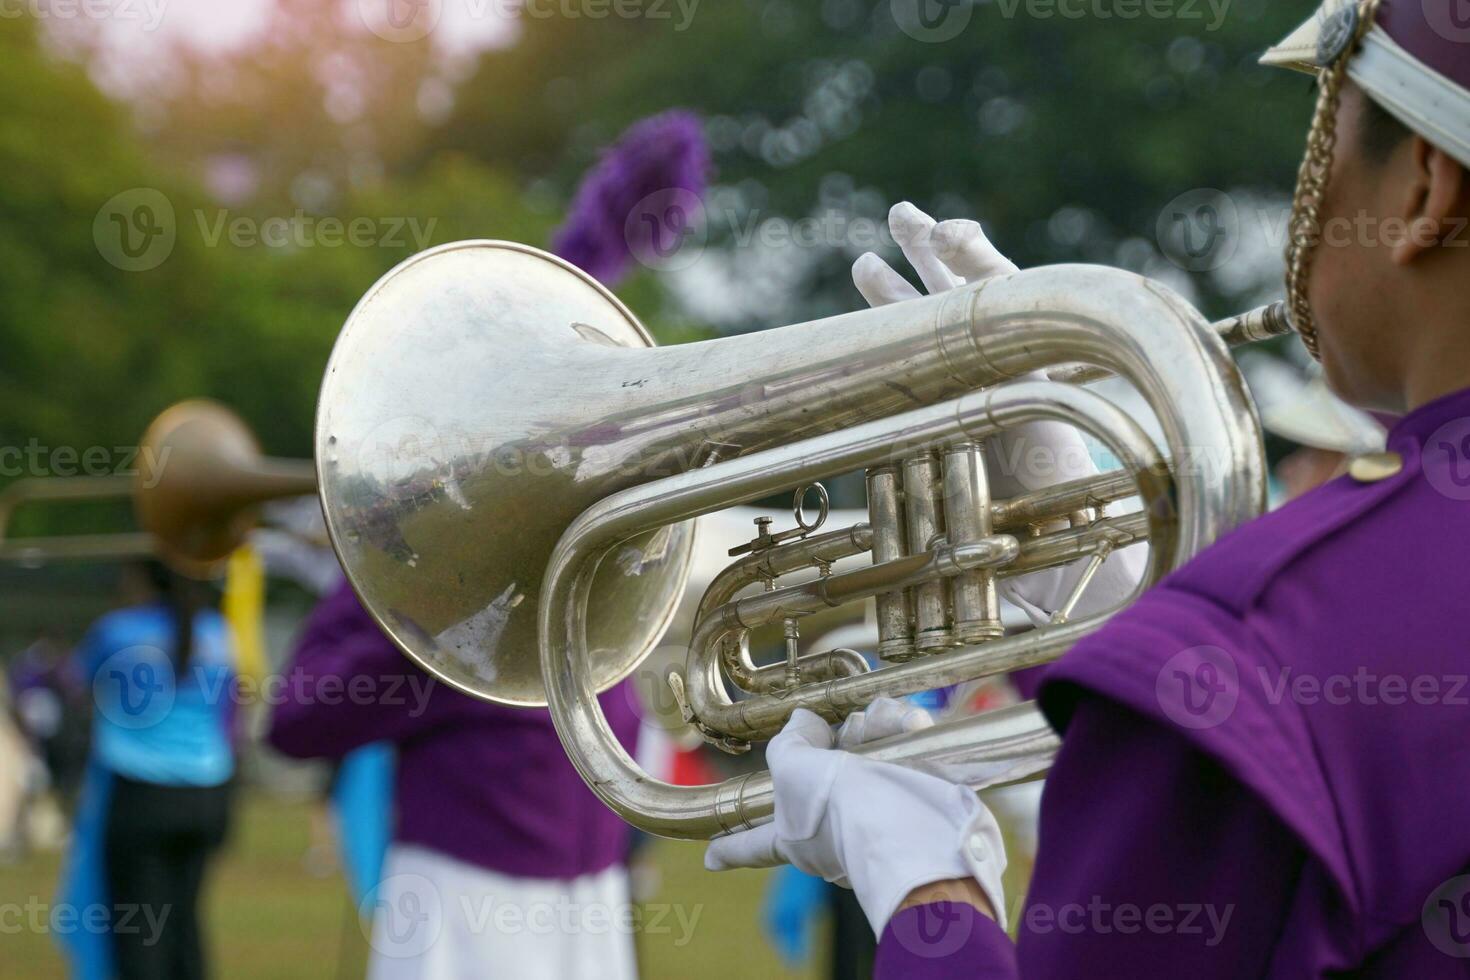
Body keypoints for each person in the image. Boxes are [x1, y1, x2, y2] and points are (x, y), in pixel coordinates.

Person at [704, 1, 1470, 975]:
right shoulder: (1259, 635)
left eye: (1325, 144)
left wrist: (924, 885)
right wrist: (1138, 626)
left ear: (1419, 192)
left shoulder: (1261, 638)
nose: (1306, 206)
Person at [267, 579, 643, 980]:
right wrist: (423, 630)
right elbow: (298, 715)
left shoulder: (595, 572)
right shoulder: (418, 566)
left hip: (596, 892)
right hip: (459, 894)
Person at [70, 560, 237, 980]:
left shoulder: (117, 630)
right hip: (209, 793)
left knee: (140, 928)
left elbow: (75, 687)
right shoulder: (218, 631)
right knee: (183, 921)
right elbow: (228, 708)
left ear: (142, 577)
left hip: (141, 794)